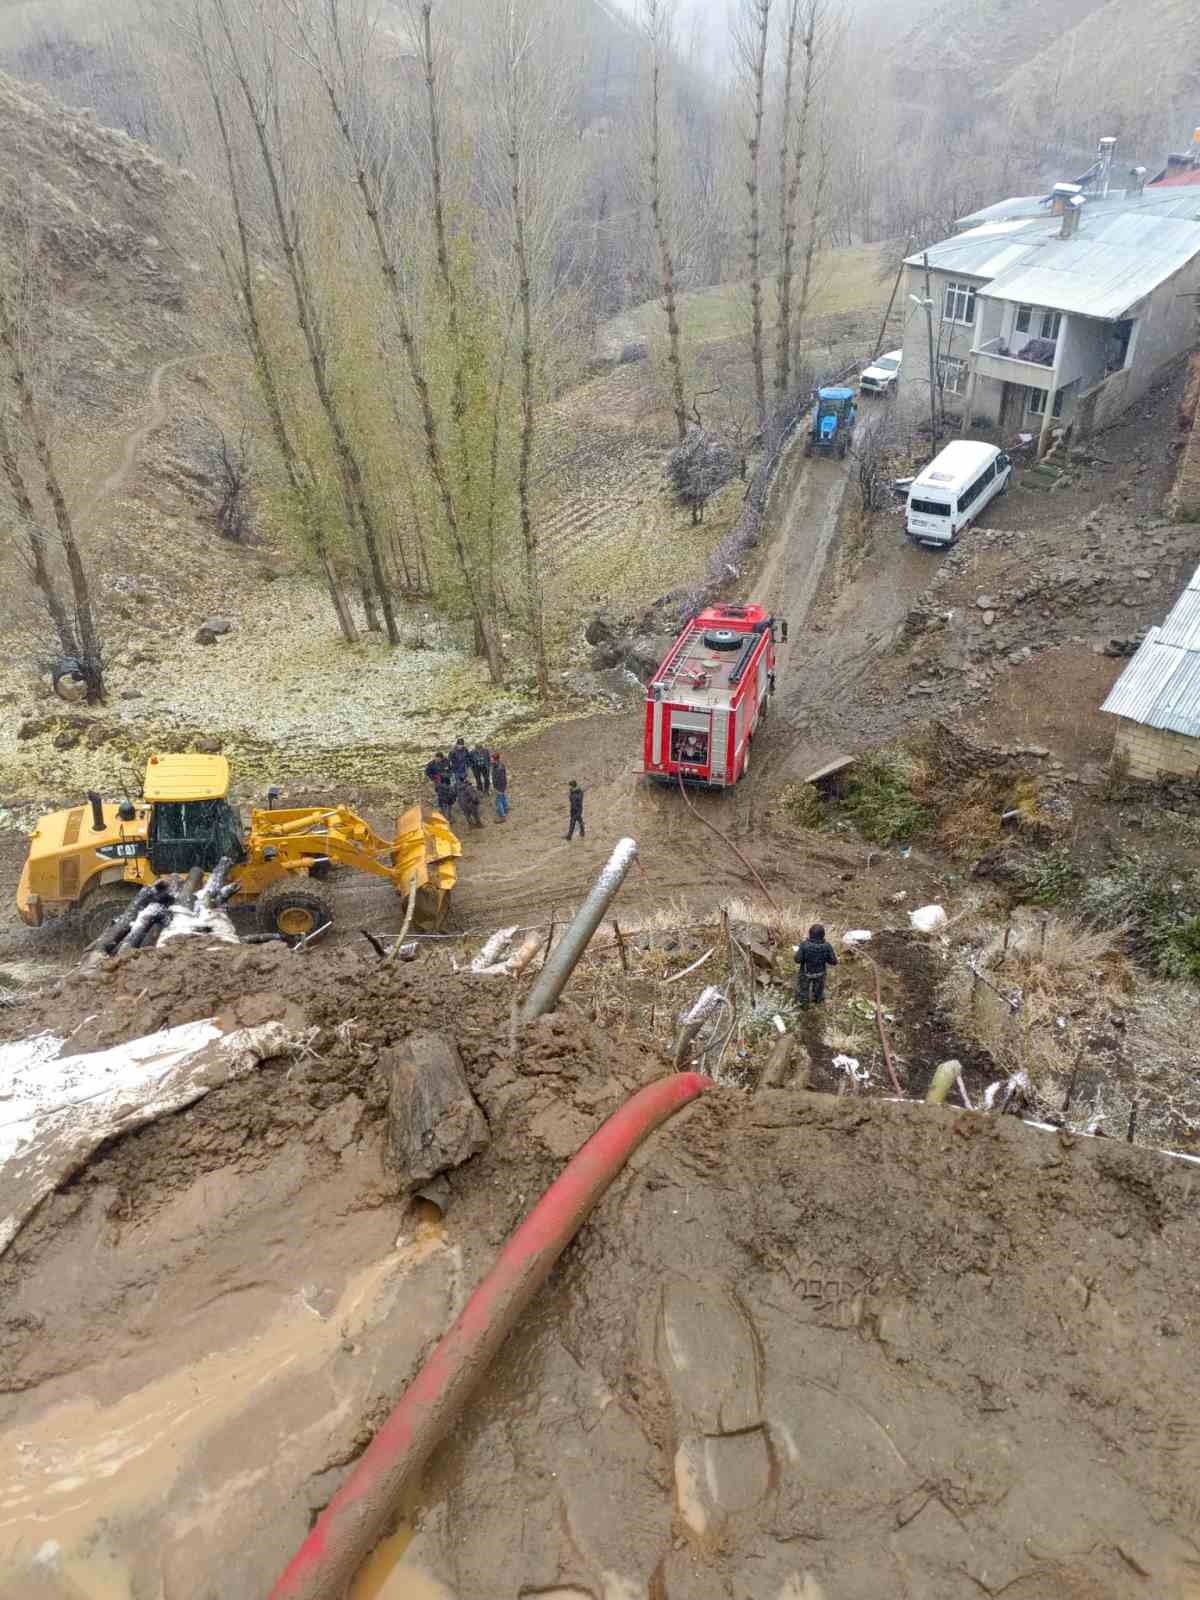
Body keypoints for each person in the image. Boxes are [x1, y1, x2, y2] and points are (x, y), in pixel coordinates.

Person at [794, 923, 838, 1009]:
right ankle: (818, 1000)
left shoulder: (804, 945)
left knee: (803, 990)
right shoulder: (827, 946)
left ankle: (804, 1005)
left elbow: (797, 960)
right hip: (820, 973)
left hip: (806, 972)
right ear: (823, 935)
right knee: (819, 989)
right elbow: (834, 962)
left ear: (810, 934)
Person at [491, 752, 509, 820]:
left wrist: (498, 789)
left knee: (498, 801)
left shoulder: (498, 769)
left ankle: (502, 816)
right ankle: (506, 808)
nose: (490, 760)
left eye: (491, 759)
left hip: (499, 787)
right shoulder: (500, 764)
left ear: (495, 759)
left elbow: (499, 779)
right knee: (503, 797)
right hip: (502, 786)